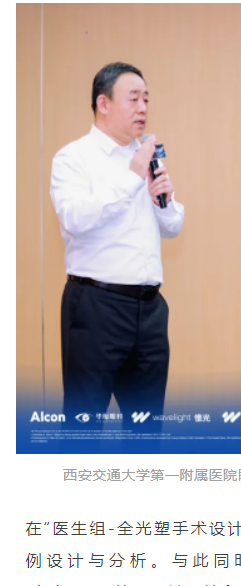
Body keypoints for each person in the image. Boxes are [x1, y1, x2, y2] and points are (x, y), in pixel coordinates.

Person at [50, 62, 185, 431]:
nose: (143, 108)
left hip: (149, 310)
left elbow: (172, 228)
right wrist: (132, 178)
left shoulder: (146, 156)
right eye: (134, 99)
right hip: (96, 307)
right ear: (103, 103)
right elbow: (74, 218)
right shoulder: (73, 158)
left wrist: (164, 201)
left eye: (147, 100)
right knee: (83, 426)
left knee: (146, 428)